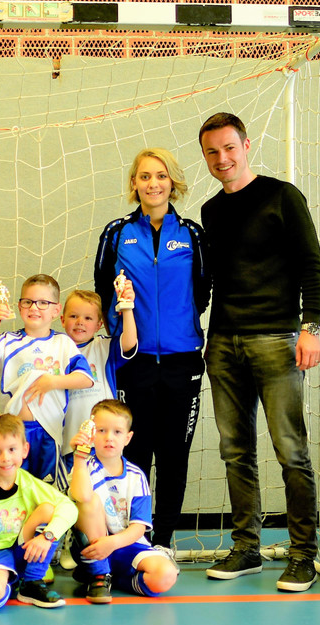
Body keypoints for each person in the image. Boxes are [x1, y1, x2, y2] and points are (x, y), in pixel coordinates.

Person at [198, 112, 320, 592]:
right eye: (212, 151)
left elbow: (313, 267)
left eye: (229, 147)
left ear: (246, 145)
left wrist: (310, 328)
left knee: (291, 451)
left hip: (277, 340)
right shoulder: (211, 211)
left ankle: (303, 555)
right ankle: (246, 548)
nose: (222, 158)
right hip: (223, 344)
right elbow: (211, 281)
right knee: (235, 452)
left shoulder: (282, 196)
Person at [93, 147, 210, 549]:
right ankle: (134, 540)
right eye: (145, 176)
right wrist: (124, 331)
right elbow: (103, 287)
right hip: (135, 362)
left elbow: (203, 290)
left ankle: (163, 541)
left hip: (182, 361)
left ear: (172, 182)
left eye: (161, 176)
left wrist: (179, 326)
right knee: (135, 454)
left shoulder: (192, 233)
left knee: (174, 456)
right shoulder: (116, 233)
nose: (153, 183)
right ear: (134, 183)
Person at [0, 274, 94, 489]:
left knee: (47, 488)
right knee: (15, 485)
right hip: (14, 432)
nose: (34, 307)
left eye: (43, 302)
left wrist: (53, 382)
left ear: (56, 310)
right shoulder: (8, 341)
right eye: (28, 302)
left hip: (49, 430)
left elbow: (85, 379)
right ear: (19, 306)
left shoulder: (63, 343)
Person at [67, 400, 179, 605]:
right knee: (89, 501)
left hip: (126, 545)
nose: (109, 437)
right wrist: (79, 458)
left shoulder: (137, 476)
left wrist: (113, 543)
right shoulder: (84, 467)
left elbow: (138, 528)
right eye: (101, 430)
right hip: (93, 546)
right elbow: (81, 496)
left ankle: (113, 579)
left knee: (166, 576)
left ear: (127, 438)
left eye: (117, 432)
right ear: (91, 434)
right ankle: (99, 573)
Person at [0, 413, 78, 610]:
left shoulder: (29, 483)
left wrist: (47, 536)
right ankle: (8, 580)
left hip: (22, 550)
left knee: (48, 509)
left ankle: (31, 582)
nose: (5, 458)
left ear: (24, 450)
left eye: (12, 449)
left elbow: (70, 508)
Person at [60, 288, 137, 466]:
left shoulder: (103, 347)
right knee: (76, 483)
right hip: (71, 442)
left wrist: (127, 307)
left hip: (105, 442)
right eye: (73, 316)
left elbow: (129, 342)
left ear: (99, 324)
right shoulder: (56, 350)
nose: (80, 322)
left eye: (88, 318)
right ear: (62, 320)